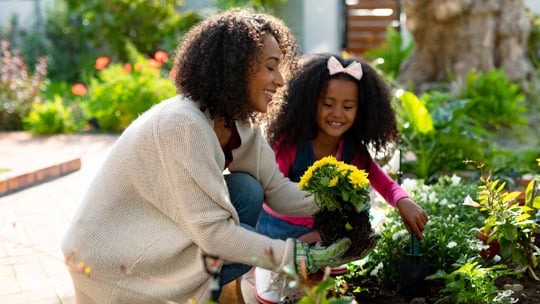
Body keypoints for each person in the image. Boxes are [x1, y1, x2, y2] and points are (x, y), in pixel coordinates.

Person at [61, 9, 357, 304]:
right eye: (270, 67)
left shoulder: (238, 123)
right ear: (235, 68)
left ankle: (214, 294)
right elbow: (215, 235)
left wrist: (338, 197)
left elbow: (278, 192)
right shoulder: (183, 124)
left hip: (157, 230)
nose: (280, 81)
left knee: (247, 190)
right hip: (110, 262)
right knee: (237, 236)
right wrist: (295, 256)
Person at [254, 53, 429, 304]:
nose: (337, 113)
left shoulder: (351, 149)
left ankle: (317, 259)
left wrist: (404, 201)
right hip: (280, 229)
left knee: (357, 230)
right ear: (310, 103)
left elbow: (383, 182)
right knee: (278, 274)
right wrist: (305, 232)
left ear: (360, 111)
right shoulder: (290, 145)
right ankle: (274, 267)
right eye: (327, 104)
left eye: (348, 106)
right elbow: (269, 196)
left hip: (318, 230)